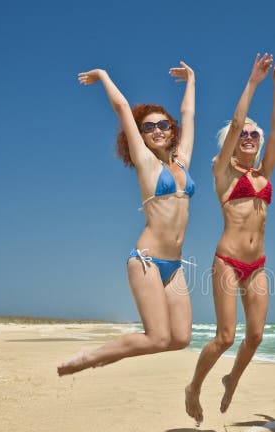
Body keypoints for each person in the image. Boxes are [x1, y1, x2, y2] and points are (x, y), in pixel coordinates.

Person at [57, 62, 196, 376]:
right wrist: (105, 76)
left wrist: (192, 80)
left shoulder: (182, 161)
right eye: (148, 127)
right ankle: (89, 356)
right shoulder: (145, 162)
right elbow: (122, 107)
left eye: (163, 124)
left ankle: (109, 354)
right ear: (142, 136)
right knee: (158, 337)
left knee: (180, 338)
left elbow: (189, 114)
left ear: (171, 129)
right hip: (146, 261)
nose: (157, 130)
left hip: (174, 266)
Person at [185, 54, 275, 425]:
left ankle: (231, 379)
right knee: (225, 337)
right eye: (243, 135)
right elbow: (238, 122)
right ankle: (194, 386)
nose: (248, 137)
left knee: (255, 336)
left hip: (257, 264)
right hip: (228, 260)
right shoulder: (222, 173)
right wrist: (254, 81)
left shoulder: (264, 173)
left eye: (252, 136)